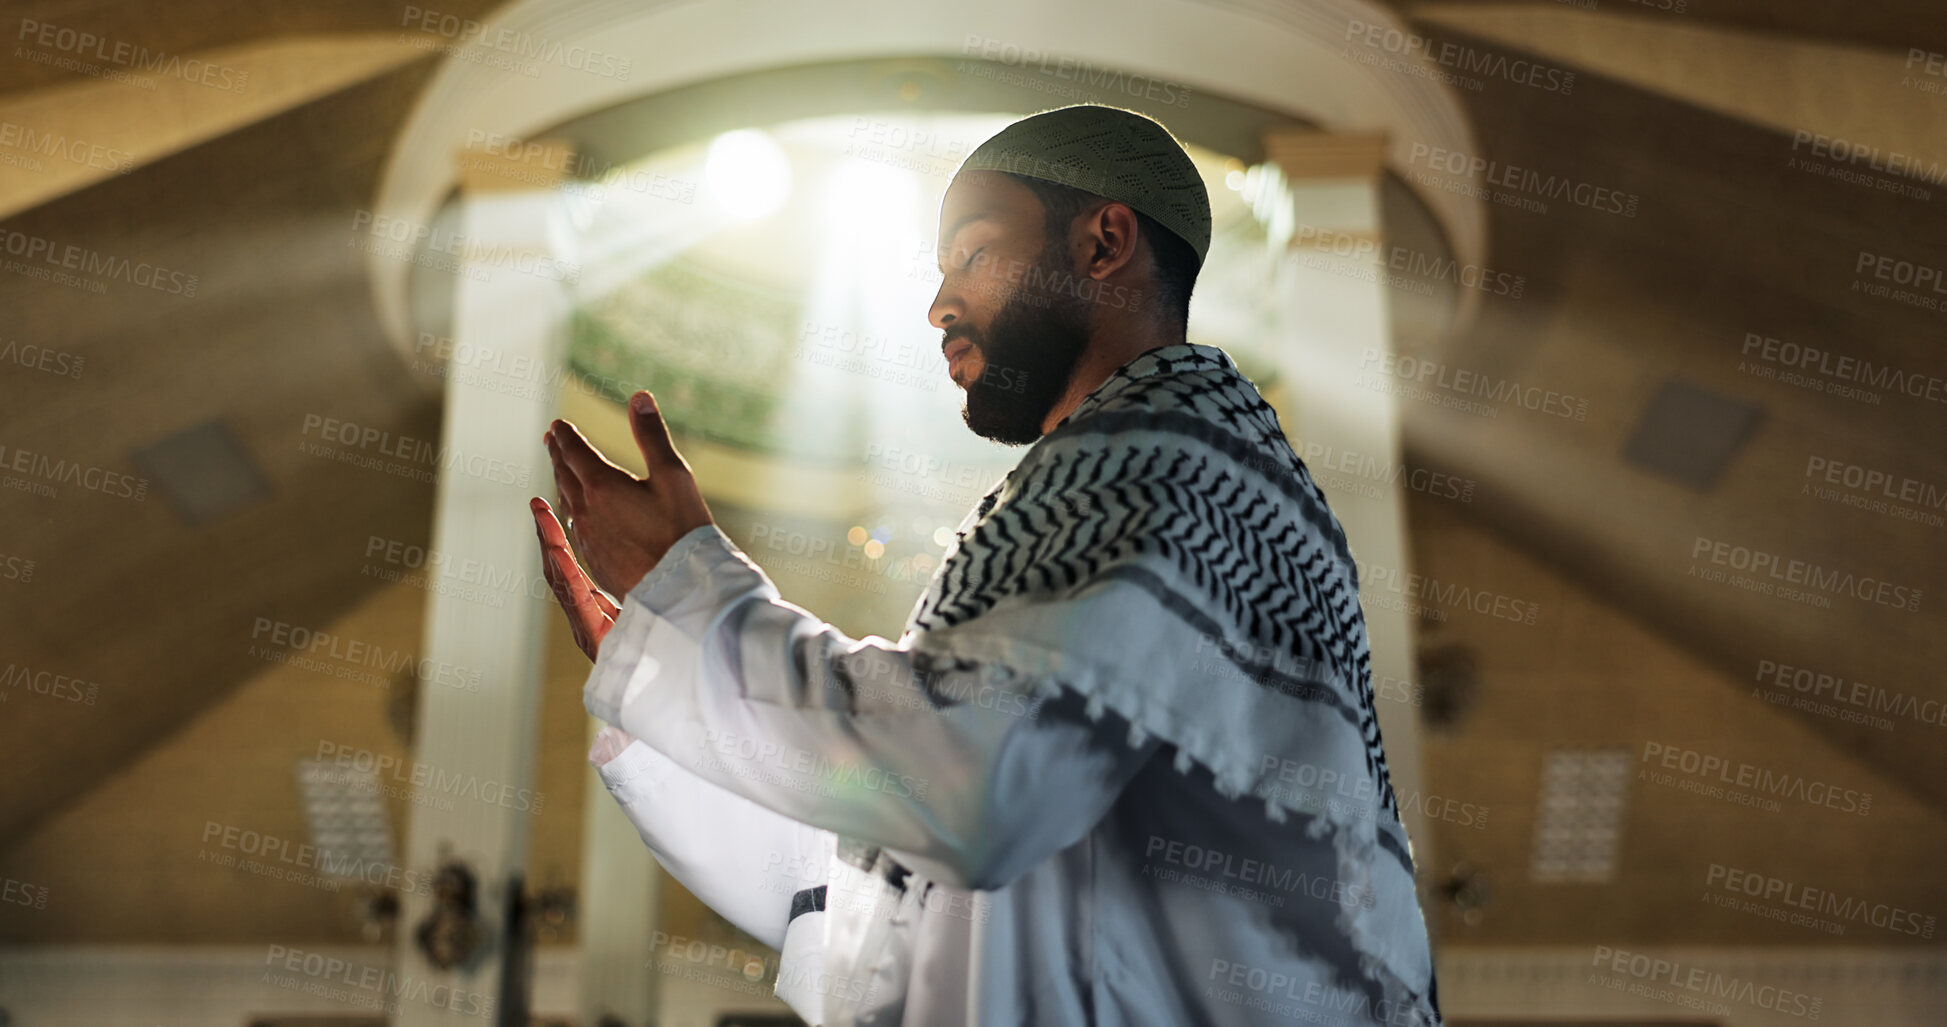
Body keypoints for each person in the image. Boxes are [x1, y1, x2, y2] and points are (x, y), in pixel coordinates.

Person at [531, 104, 1442, 1026]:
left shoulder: (1178, 462)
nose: (939, 305)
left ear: (1103, 242)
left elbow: (978, 794)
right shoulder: (1104, 484)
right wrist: (669, 666)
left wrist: (693, 588)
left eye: (971, 253)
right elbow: (885, 873)